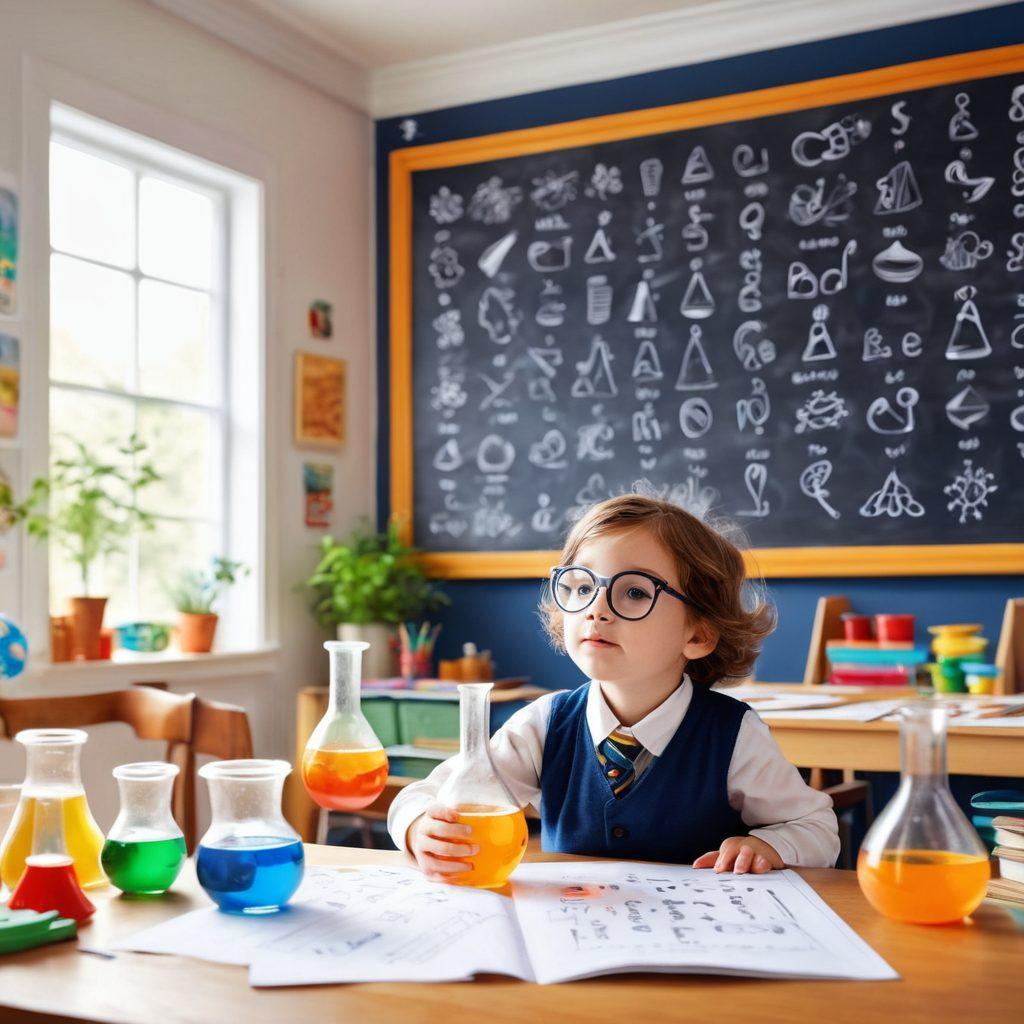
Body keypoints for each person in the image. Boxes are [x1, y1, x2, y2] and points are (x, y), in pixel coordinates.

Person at [388, 493, 840, 880]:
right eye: (582, 586)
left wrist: (770, 847)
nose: (595, 609)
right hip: (571, 939)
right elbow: (421, 796)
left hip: (691, 946)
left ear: (698, 634)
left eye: (636, 592)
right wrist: (418, 828)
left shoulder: (733, 735)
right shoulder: (545, 724)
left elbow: (817, 828)